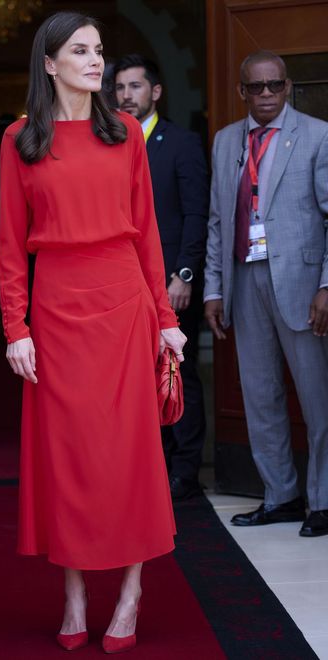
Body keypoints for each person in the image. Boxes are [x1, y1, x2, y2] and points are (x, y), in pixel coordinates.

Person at [0, 11, 186, 653]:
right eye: (80, 50)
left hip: (124, 302)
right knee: (68, 457)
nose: (95, 60)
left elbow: (149, 234)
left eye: (99, 49)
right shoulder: (20, 139)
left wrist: (166, 319)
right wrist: (13, 327)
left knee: (130, 452)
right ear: (49, 64)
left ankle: (130, 591)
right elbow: (9, 245)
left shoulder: (127, 131)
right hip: (54, 309)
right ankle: (75, 592)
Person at [204, 50, 328, 537]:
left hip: (301, 284)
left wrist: (325, 283)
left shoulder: (317, 135)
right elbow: (218, 220)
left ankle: (321, 500)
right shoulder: (225, 141)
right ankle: (280, 496)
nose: (266, 96)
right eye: (255, 88)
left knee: (316, 398)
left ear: (288, 86)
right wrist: (213, 289)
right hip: (245, 276)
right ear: (242, 92)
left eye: (274, 86)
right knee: (260, 395)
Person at [114, 54, 209, 501]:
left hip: (171, 279)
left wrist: (184, 274)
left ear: (155, 92)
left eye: (135, 87)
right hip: (124, 280)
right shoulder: (111, 142)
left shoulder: (182, 142)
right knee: (136, 374)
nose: (126, 95)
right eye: (120, 87)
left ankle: (185, 471)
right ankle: (151, 464)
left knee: (177, 370)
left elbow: (196, 214)